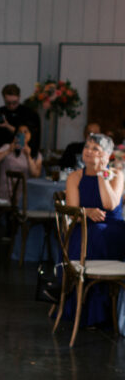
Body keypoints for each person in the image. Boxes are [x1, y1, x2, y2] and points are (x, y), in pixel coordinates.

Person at [62, 133, 125, 327]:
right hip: (84, 226)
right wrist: (86, 212)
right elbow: (72, 211)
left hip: (113, 228)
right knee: (90, 236)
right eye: (87, 147)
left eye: (96, 149)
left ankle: (109, 306)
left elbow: (111, 204)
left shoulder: (117, 174)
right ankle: (87, 307)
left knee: (104, 235)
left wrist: (102, 175)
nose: (89, 152)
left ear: (107, 156)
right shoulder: (75, 176)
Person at [0, 124, 43, 201]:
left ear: (31, 135)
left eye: (25, 132)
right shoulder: (7, 147)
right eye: (20, 132)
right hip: (8, 191)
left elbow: (35, 174)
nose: (22, 134)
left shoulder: (35, 153)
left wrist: (28, 156)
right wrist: (8, 151)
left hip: (26, 192)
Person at [0, 83, 41, 154]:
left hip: (19, 154)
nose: (11, 106)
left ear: (19, 97)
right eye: (8, 103)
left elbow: (27, 136)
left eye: (14, 103)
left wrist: (7, 125)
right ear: (3, 98)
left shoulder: (28, 113)